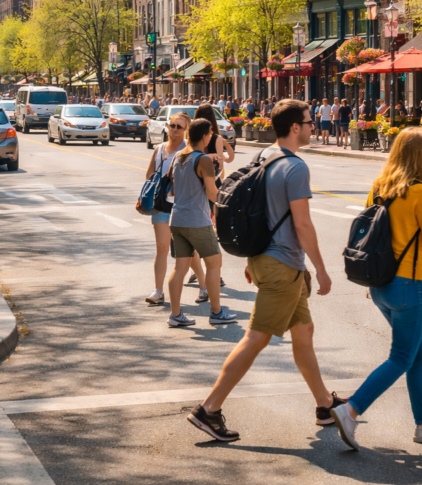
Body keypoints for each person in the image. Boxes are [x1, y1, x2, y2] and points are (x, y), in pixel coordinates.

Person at [189, 99, 341, 441]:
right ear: (294, 128)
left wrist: (253, 259)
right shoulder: (296, 167)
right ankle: (208, 409)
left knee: (303, 333)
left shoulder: (263, 157)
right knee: (255, 338)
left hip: (270, 262)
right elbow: (302, 224)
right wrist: (321, 268)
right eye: (308, 121)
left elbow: (255, 214)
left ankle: (324, 404)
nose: (313, 125)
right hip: (283, 265)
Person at [331, 127, 422, 450]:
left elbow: (368, 236)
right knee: (402, 356)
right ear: (419, 155)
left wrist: (373, 281)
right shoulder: (420, 192)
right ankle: (350, 410)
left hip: (380, 285)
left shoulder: (380, 187)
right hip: (408, 285)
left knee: (418, 354)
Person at [166, 119, 237, 327]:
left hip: (177, 218)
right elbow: (212, 193)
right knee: (214, 264)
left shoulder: (178, 157)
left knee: (180, 268)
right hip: (197, 219)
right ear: (205, 136)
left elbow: (173, 189)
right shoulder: (203, 159)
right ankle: (216, 312)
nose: (210, 137)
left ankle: (176, 314)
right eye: (210, 134)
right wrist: (230, 206)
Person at [141, 112, 205, 305]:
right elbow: (149, 174)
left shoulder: (190, 150)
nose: (174, 129)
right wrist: (165, 179)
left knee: (187, 249)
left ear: (187, 130)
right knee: (162, 248)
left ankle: (203, 286)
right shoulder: (160, 149)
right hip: (162, 204)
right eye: (171, 125)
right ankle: (158, 291)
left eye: (179, 127)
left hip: (183, 204)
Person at [197, 103, 235, 184]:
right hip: (211, 181)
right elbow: (226, 161)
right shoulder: (216, 138)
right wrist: (227, 145)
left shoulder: (192, 137)